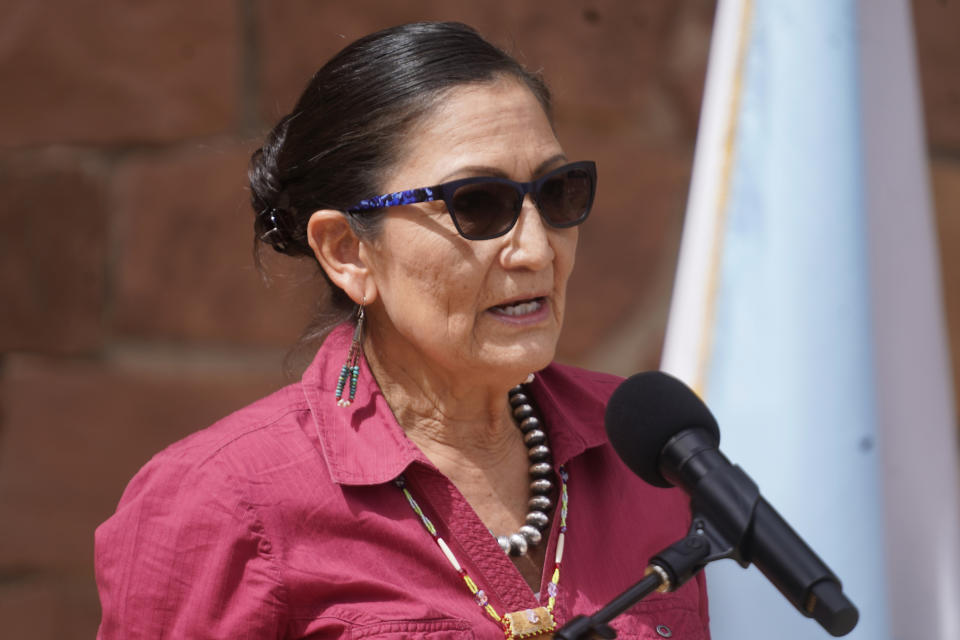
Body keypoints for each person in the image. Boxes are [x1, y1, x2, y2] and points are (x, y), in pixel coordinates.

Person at [94, 21, 710, 639]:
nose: (536, 250)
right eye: (477, 202)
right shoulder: (223, 499)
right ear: (347, 252)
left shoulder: (650, 456)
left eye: (557, 192)